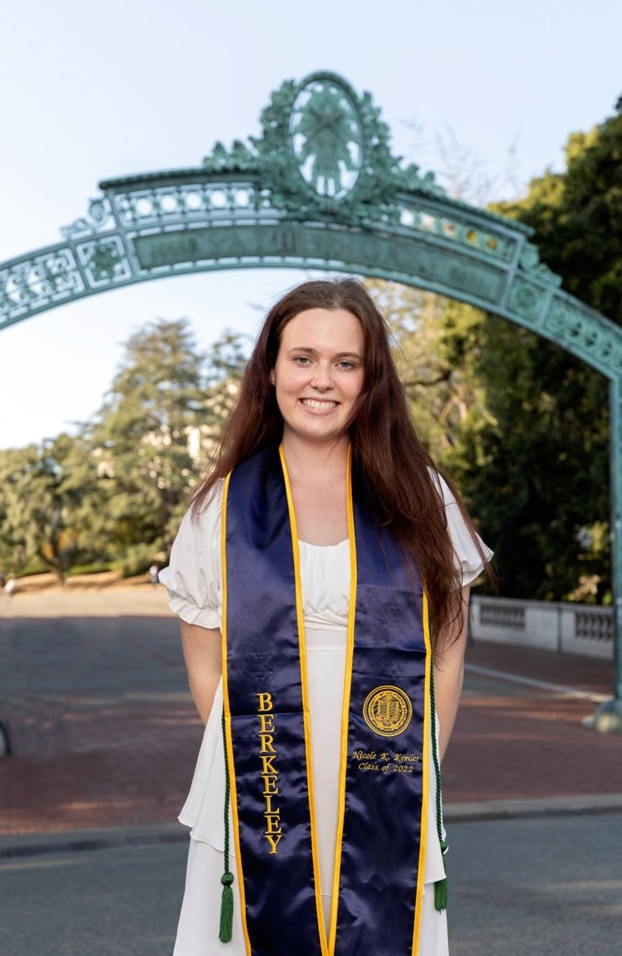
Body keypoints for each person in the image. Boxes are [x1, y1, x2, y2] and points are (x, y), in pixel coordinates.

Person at [160, 278, 492, 956]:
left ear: (372, 380)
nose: (323, 380)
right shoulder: (219, 509)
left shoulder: (421, 499)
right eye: (303, 357)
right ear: (271, 369)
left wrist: (405, 766)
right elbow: (204, 663)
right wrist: (269, 761)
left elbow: (449, 653)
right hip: (262, 785)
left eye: (347, 362)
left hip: (386, 777)